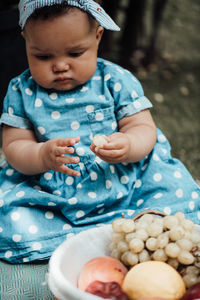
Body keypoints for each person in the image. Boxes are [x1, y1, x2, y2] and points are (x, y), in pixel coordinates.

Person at [0, 0, 199, 263]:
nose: (60, 66)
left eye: (75, 53)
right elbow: (14, 146)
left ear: (97, 36)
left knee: (176, 194)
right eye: (43, 56)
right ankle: (66, 238)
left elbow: (142, 128)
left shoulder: (114, 80)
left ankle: (139, 225)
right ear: (25, 40)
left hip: (126, 181)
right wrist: (41, 155)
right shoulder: (20, 91)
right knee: (10, 215)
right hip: (52, 193)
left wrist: (128, 144)